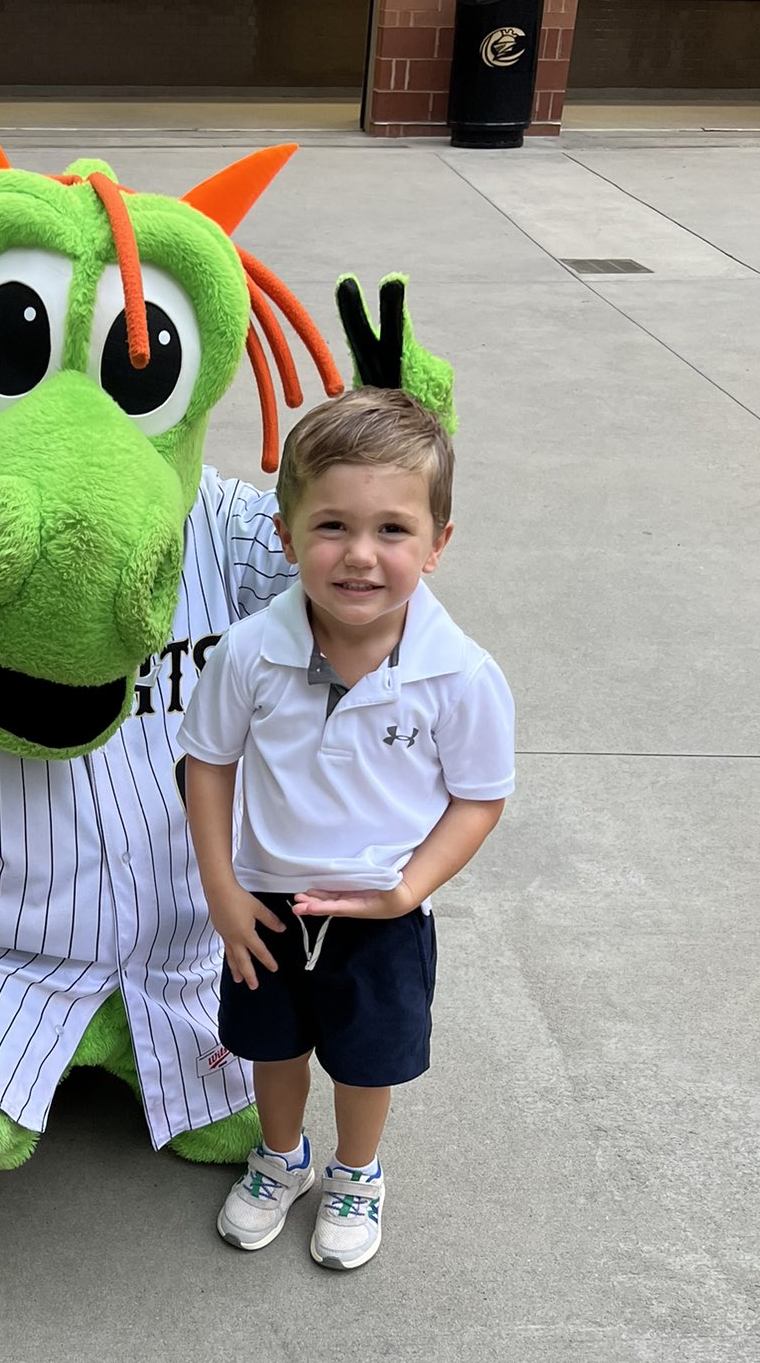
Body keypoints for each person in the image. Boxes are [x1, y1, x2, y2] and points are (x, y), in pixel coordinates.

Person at [177, 389, 515, 1271]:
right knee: (272, 1045)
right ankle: (280, 1158)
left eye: (394, 530)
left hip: (382, 914)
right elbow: (207, 764)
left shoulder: (460, 676)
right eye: (331, 526)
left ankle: (356, 1175)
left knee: (368, 1061)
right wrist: (221, 890)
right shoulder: (249, 652)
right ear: (286, 536)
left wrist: (409, 888)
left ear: (439, 543)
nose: (360, 555)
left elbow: (480, 797)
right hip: (265, 903)